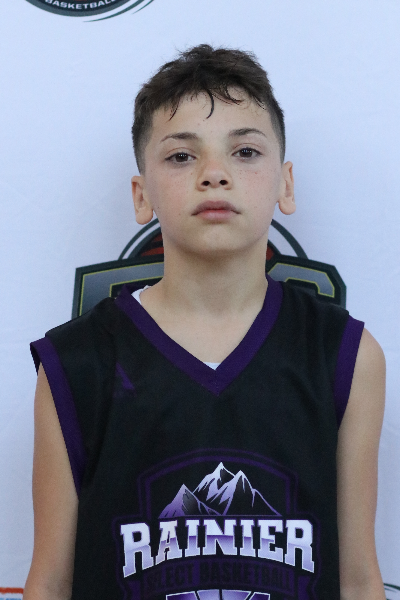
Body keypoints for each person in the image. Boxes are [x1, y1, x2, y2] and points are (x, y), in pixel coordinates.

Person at [24, 45, 386, 600]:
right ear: (141, 196)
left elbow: (358, 579)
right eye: (181, 156)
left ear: (285, 184)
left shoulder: (346, 354)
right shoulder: (77, 363)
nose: (214, 174)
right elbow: (50, 582)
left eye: (245, 151)